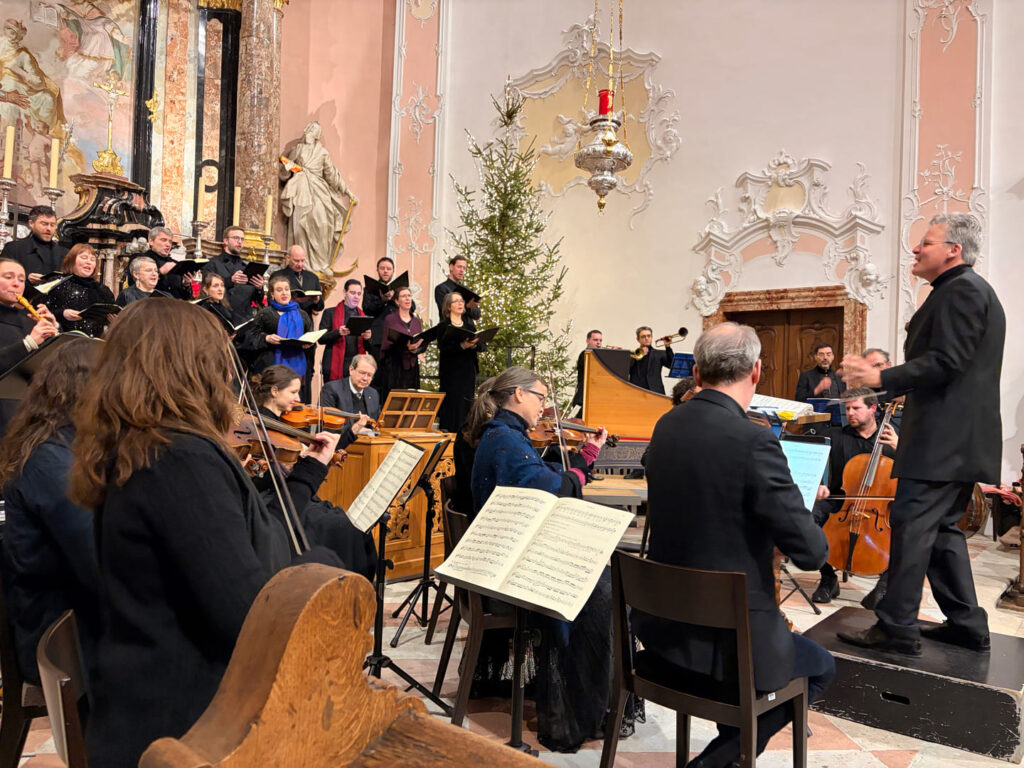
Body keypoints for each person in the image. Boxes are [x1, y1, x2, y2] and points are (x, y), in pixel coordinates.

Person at [69, 299, 343, 768]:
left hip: (155, 697)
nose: (228, 378)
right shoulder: (179, 458)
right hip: (186, 725)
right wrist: (317, 571)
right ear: (193, 368)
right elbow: (246, 616)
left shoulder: (143, 445)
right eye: (219, 362)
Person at [639, 322, 834, 767]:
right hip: (730, 646)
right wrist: (797, 511)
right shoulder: (753, 439)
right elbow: (810, 553)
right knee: (821, 668)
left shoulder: (666, 425)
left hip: (664, 635)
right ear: (757, 372)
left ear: (700, 372)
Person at [838, 212, 1004, 655]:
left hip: (943, 440)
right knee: (942, 531)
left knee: (912, 526)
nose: (916, 248)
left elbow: (947, 362)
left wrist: (879, 377)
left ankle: (896, 628)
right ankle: (967, 623)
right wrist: (887, 378)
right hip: (955, 439)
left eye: (926, 242)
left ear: (954, 250)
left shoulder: (962, 291)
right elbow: (948, 365)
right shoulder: (962, 291)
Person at [467, 366, 611, 751]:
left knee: (599, 578)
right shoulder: (506, 441)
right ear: (517, 394)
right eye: (541, 397)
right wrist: (579, 471)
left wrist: (582, 461)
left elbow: (541, 471)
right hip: (505, 573)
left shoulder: (504, 435)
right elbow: (548, 486)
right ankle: (577, 709)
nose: (545, 408)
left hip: (500, 558)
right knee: (601, 590)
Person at [0, 338, 100, 685]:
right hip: (59, 640)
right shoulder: (48, 460)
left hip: (78, 618)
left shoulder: (68, 447)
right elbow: (98, 559)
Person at [250, 365, 376, 577]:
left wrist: (349, 434)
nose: (298, 398)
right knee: (341, 526)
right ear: (274, 391)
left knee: (348, 524)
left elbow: (312, 451)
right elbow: (261, 478)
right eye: (292, 392)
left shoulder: (283, 424)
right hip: (274, 501)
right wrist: (291, 465)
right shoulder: (257, 426)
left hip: (292, 494)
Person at [809, 387, 897, 604]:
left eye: (856, 408)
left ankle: (884, 585)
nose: (850, 413)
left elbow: (916, 470)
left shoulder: (889, 438)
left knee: (909, 526)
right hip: (841, 500)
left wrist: (900, 448)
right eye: (847, 408)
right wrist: (818, 484)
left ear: (873, 409)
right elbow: (812, 458)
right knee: (808, 517)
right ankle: (828, 578)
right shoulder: (837, 436)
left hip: (879, 507)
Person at [278, 121, 357, 273]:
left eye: (314, 130)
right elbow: (285, 171)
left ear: (317, 135)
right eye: (309, 129)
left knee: (323, 224)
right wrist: (288, 168)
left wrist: (347, 192)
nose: (310, 131)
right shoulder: (297, 149)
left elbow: (332, 175)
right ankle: (301, 263)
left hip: (319, 190)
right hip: (301, 189)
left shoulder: (322, 153)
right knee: (300, 226)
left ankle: (320, 264)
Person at [0, 257, 58, 436]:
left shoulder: (28, 319)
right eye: (8, 277)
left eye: (21, 279)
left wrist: (54, 334)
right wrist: (29, 343)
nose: (16, 284)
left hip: (28, 409)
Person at [246, 273, 313, 394]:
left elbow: (310, 334)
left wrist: (308, 344)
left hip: (297, 365)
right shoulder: (265, 313)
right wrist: (266, 338)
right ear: (272, 294)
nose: (284, 293)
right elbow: (250, 337)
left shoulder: (302, 314)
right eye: (279, 290)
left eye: (287, 289)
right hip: (270, 365)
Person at [46, 243, 116, 337]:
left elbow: (106, 322)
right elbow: (38, 312)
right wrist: (62, 314)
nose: (89, 262)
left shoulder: (103, 291)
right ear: (71, 260)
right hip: (62, 343)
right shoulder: (56, 283)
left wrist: (114, 321)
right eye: (84, 257)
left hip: (94, 345)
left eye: (92, 259)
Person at [437, 291, 481, 433]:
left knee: (466, 405)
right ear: (449, 307)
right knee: (452, 405)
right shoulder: (444, 325)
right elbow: (443, 348)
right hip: (451, 373)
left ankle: (463, 436)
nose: (460, 303)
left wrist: (474, 344)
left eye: (461, 301)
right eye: (456, 301)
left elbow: (481, 345)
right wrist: (462, 346)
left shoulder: (469, 324)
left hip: (467, 371)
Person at [202, 226, 264, 324]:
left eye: (242, 239)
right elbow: (206, 289)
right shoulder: (212, 263)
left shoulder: (247, 268)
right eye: (236, 238)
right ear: (225, 241)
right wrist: (230, 280)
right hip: (221, 318)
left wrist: (259, 288)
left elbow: (256, 300)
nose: (240, 242)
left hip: (245, 321)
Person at [318, 278, 372, 383]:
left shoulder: (363, 316)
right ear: (344, 292)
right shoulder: (330, 313)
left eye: (359, 293)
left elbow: (368, 348)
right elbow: (321, 339)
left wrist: (368, 338)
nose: (356, 296)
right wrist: (337, 332)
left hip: (355, 367)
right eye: (352, 293)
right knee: (332, 398)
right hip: (334, 365)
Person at [321, 354, 378, 449]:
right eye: (362, 373)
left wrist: (367, 431)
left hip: (366, 448)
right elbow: (328, 427)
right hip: (339, 448)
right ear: (351, 370)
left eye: (369, 375)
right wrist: (358, 429)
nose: (365, 378)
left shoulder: (373, 393)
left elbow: (374, 425)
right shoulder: (331, 389)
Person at [0, 205, 67, 284]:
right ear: (31, 223)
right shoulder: (13, 248)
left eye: (52, 225)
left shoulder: (65, 253)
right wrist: (25, 279)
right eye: (44, 224)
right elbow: (3, 277)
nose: (49, 229)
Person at [125, 226, 192, 299]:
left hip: (175, 307)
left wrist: (186, 285)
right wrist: (160, 272)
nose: (168, 244)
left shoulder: (175, 263)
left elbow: (185, 297)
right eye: (163, 240)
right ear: (151, 241)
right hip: (150, 306)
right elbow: (133, 285)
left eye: (170, 241)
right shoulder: (139, 259)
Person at [379, 286, 422, 399]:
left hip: (412, 367)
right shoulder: (390, 319)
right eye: (404, 296)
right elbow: (386, 345)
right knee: (395, 401)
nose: (407, 299)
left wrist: (416, 348)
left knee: (411, 400)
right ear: (397, 301)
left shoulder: (416, 322)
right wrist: (404, 346)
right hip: (395, 366)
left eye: (409, 296)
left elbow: (421, 342)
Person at [434, 255, 480, 320]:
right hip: (451, 328)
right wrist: (467, 306)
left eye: (464, 268)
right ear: (451, 267)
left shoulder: (467, 290)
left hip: (468, 329)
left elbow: (477, 314)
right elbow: (446, 311)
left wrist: (468, 307)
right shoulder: (441, 289)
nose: (462, 270)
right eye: (459, 267)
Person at [629, 326, 672, 395]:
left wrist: (668, 347)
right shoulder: (632, 355)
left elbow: (671, 365)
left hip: (655, 391)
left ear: (651, 337)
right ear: (638, 339)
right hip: (636, 391)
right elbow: (625, 370)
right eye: (643, 337)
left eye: (649, 336)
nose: (646, 338)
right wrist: (635, 358)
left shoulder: (659, 354)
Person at [571, 329, 602, 409]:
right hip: (582, 397)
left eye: (600, 340)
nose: (598, 343)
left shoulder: (600, 356)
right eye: (595, 340)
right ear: (587, 341)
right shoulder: (585, 354)